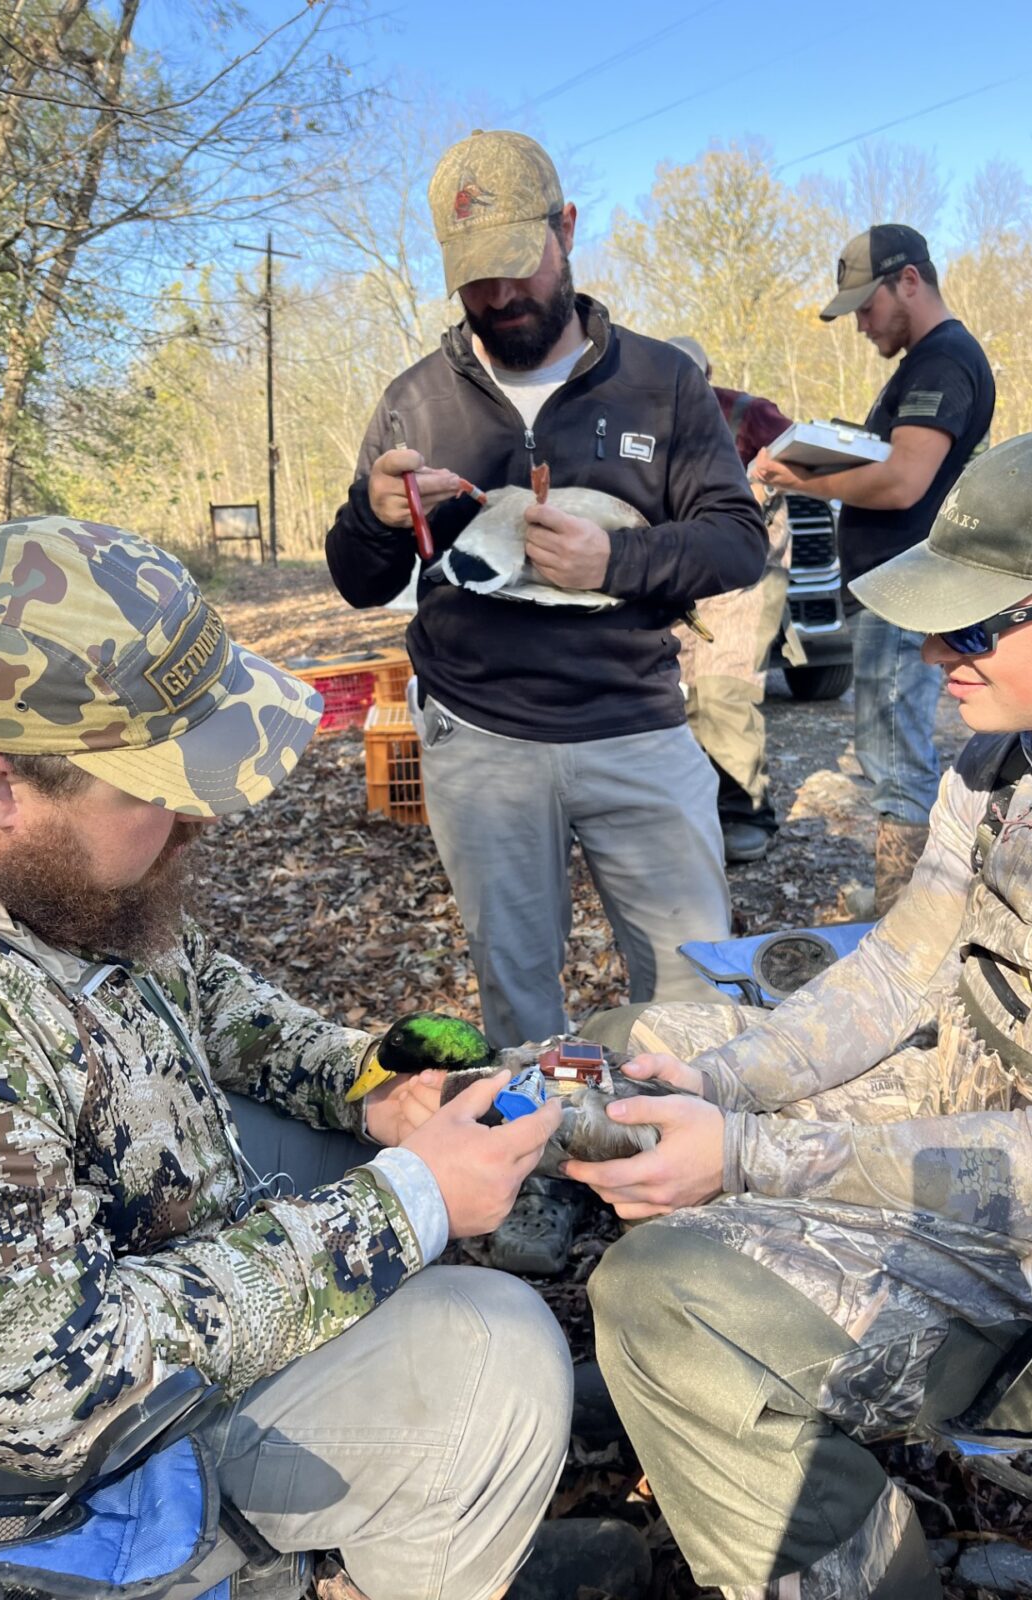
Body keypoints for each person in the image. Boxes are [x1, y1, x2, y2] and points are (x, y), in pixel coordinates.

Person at [572, 422, 1032, 1598]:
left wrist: (749, 1155)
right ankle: (694, 1390)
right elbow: (900, 972)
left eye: (978, 622)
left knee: (663, 1299)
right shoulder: (1003, 759)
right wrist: (723, 1085)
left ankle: (850, 1559)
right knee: (629, 1051)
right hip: (972, 1102)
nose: (939, 646)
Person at [0, 514, 582, 1600]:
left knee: (348, 1152)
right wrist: (407, 1204)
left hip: (139, 1252)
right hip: (60, 1466)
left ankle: (411, 1503)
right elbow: (45, 1390)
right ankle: (372, 1541)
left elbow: (216, 1005)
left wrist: (375, 1085)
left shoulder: (55, 874)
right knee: (500, 1354)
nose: (199, 818)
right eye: (158, 788)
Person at [326, 130, 767, 1049]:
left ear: (566, 229)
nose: (499, 297)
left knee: (696, 996)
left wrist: (615, 565)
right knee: (517, 998)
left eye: (517, 267)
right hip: (478, 742)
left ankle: (678, 1176)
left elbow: (737, 543)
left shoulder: (661, 382)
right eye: (474, 278)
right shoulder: (415, 401)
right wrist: (372, 514)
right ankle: (540, 1175)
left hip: (638, 729)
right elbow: (360, 582)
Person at [753, 224, 995, 913]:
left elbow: (903, 484)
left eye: (866, 305)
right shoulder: (928, 361)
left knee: (894, 756)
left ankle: (900, 918)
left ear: (909, 281)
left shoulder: (942, 362)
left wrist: (804, 478)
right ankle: (906, 901)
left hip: (906, 586)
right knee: (892, 748)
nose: (860, 323)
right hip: (895, 584)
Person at [666, 336, 799, 863]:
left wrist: (765, 481)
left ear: (706, 375)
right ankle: (694, 809)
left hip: (748, 566)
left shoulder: (749, 414)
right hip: (683, 565)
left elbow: (811, 461)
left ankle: (747, 813)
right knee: (675, 692)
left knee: (722, 689)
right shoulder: (641, 417)